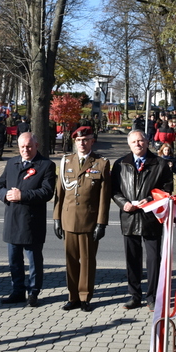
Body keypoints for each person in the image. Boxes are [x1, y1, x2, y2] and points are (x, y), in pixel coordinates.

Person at [111, 130, 174, 311]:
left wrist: (152, 199)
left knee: (154, 259)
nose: (138, 144)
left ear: (147, 142)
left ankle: (152, 297)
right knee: (132, 259)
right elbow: (114, 190)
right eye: (134, 142)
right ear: (129, 144)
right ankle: (135, 296)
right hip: (129, 217)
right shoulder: (120, 164)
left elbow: (167, 189)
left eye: (141, 141)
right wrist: (123, 204)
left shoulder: (161, 164)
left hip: (151, 218)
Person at [0, 133, 56, 307]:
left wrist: (22, 195)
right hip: (12, 219)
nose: (25, 150)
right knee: (14, 259)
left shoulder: (46, 165)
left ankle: (33, 292)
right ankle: (17, 291)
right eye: (22, 147)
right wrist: (5, 195)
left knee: (34, 261)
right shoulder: (11, 163)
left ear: (36, 145)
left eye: (29, 146)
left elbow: (47, 192)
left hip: (32, 222)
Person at [53, 126, 111, 312]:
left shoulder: (101, 163)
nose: (82, 143)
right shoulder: (65, 162)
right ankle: (73, 296)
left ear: (92, 141)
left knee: (87, 261)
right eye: (79, 140)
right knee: (70, 260)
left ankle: (85, 296)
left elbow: (104, 196)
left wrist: (101, 223)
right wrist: (56, 218)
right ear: (74, 141)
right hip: (68, 219)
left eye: (85, 140)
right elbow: (59, 194)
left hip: (89, 220)